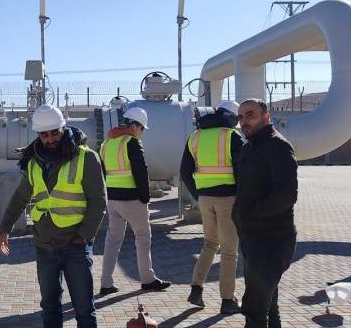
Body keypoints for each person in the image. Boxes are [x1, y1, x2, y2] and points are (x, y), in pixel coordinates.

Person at [0, 104, 107, 328]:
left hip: (75, 245)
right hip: (44, 245)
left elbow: (98, 201)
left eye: (54, 133)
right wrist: (5, 228)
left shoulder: (86, 157)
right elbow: (20, 197)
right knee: (49, 307)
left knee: (84, 308)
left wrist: (83, 237)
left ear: (63, 128)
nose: (50, 139)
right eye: (44, 135)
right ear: (38, 134)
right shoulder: (33, 161)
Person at [233, 99, 298, 328]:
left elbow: (286, 195)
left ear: (267, 117)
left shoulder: (278, 146)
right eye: (241, 117)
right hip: (252, 236)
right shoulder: (249, 147)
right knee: (269, 305)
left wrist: (250, 214)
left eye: (250, 115)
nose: (244, 121)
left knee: (255, 309)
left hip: (272, 239)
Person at [99, 106, 171, 296]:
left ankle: (106, 283)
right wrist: (145, 198)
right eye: (142, 128)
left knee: (112, 240)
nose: (142, 132)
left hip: (112, 199)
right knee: (142, 237)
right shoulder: (131, 143)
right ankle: (147, 279)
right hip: (132, 199)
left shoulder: (106, 144)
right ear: (135, 126)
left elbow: (103, 172)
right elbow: (141, 171)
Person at [180, 100, 243, 314]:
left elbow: (184, 171)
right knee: (229, 251)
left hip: (205, 198)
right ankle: (227, 300)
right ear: (233, 117)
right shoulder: (232, 136)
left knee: (210, 244)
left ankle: (196, 288)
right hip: (228, 199)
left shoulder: (195, 136)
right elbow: (242, 172)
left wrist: (198, 194)